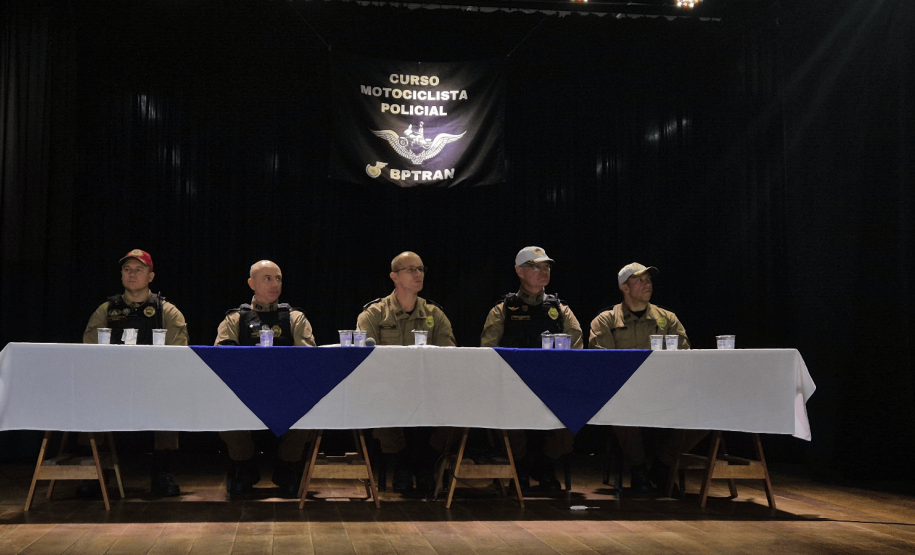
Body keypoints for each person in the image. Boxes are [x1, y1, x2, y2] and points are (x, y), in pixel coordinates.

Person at [82, 249, 189, 497]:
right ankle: (96, 473)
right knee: (89, 397)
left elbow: (178, 351)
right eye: (127, 269)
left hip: (154, 383)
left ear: (151, 276)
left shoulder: (167, 311)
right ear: (121, 275)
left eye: (139, 270)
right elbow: (86, 348)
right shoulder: (106, 309)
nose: (132, 274)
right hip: (112, 382)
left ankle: (162, 472)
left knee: (168, 400)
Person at [589, 262, 699, 493]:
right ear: (624, 288)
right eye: (639, 280)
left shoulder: (667, 318)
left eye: (648, 280)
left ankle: (663, 464)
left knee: (706, 411)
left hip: (665, 390)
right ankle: (639, 469)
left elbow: (685, 355)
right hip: (625, 392)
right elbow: (603, 363)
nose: (647, 284)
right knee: (617, 406)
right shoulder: (606, 319)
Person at [480, 246, 582, 492]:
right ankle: (521, 467)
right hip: (513, 386)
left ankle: (545, 464)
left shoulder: (561, 310)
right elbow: (487, 353)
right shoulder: (503, 309)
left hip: (553, 386)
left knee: (577, 413)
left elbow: (578, 351)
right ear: (519, 271)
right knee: (508, 414)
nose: (543, 271)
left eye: (546, 266)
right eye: (536, 266)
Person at [356, 251, 456, 495]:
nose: (417, 274)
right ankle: (409, 465)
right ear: (394, 277)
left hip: (427, 390)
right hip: (387, 389)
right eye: (410, 269)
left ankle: (421, 463)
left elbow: (451, 358)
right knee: (391, 407)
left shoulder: (435, 315)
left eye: (420, 269)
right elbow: (362, 359)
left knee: (456, 408)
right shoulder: (374, 314)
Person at [215, 260, 316, 497]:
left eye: (278, 278)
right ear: (251, 283)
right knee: (222, 407)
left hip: (286, 391)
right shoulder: (235, 319)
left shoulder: (295, 318)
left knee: (311, 408)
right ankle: (245, 466)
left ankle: (287, 467)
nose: (275, 284)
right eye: (267, 278)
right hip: (246, 390)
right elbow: (221, 356)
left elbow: (308, 357)